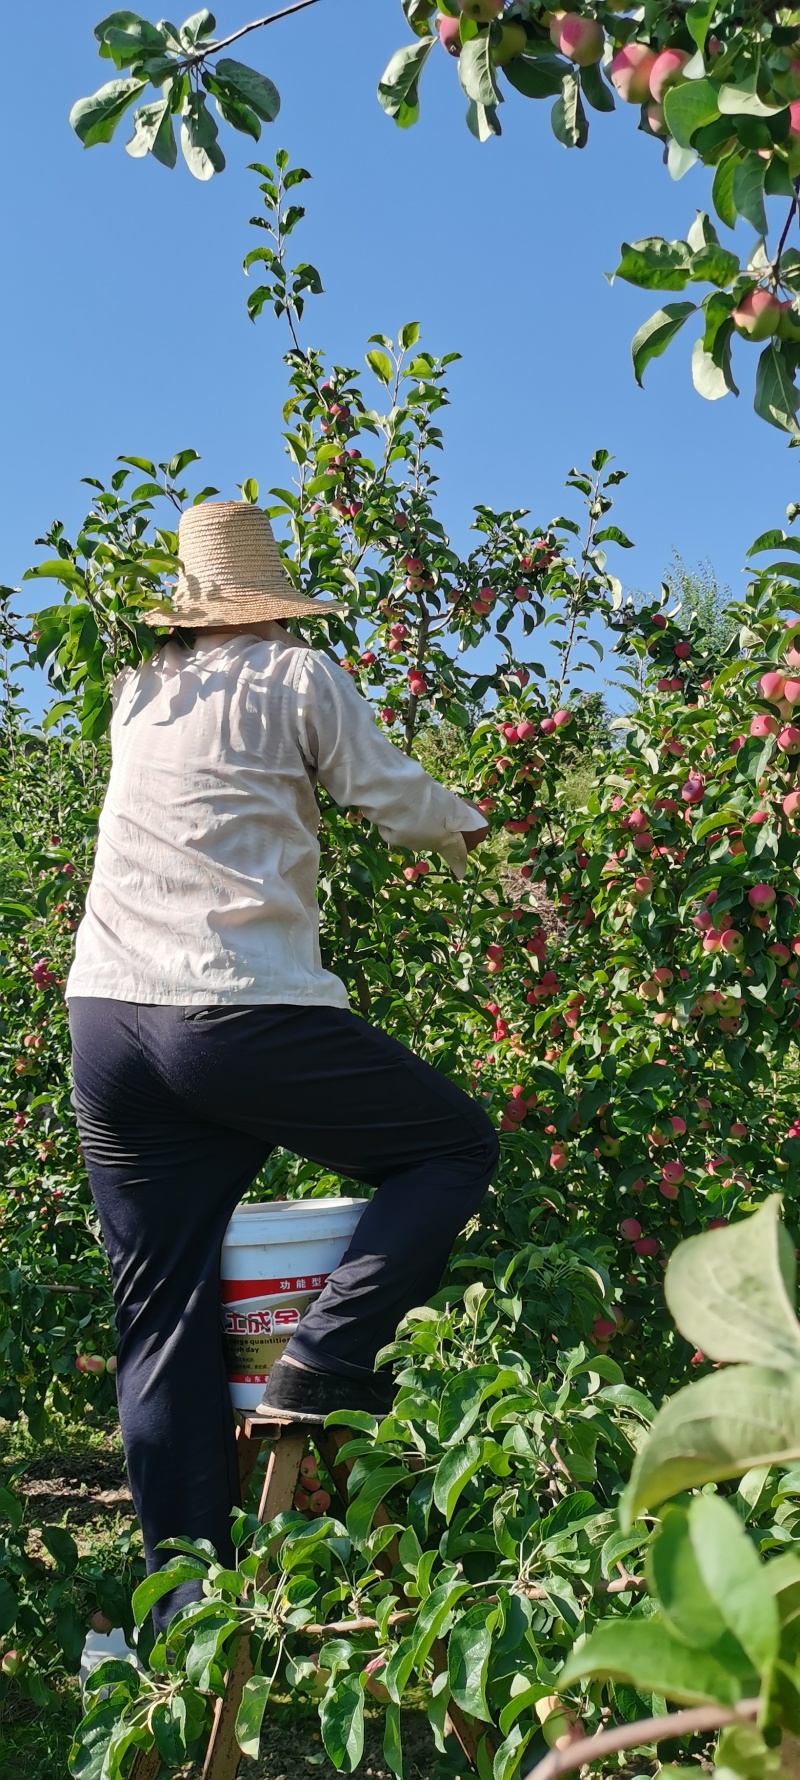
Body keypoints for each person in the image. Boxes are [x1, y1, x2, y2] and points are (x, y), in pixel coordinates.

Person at [65, 500, 497, 1618]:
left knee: (158, 1320)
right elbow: (385, 794)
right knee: (449, 1146)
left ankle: (185, 1613)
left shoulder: (140, 689)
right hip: (235, 1008)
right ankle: (321, 1359)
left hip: (109, 1021)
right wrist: (471, 830)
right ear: (268, 596)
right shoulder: (294, 673)